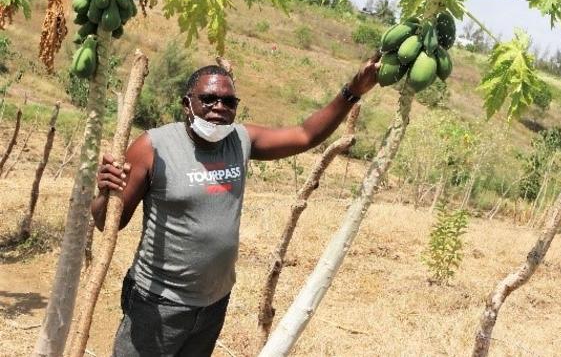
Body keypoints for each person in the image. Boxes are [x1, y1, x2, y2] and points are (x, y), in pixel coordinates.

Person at [93, 56, 380, 356]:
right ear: (186, 103)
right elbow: (108, 221)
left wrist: (352, 92)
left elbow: (305, 134)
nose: (219, 107)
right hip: (159, 302)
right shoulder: (154, 147)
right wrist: (104, 193)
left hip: (213, 302)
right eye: (209, 99)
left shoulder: (240, 140)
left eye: (229, 102)